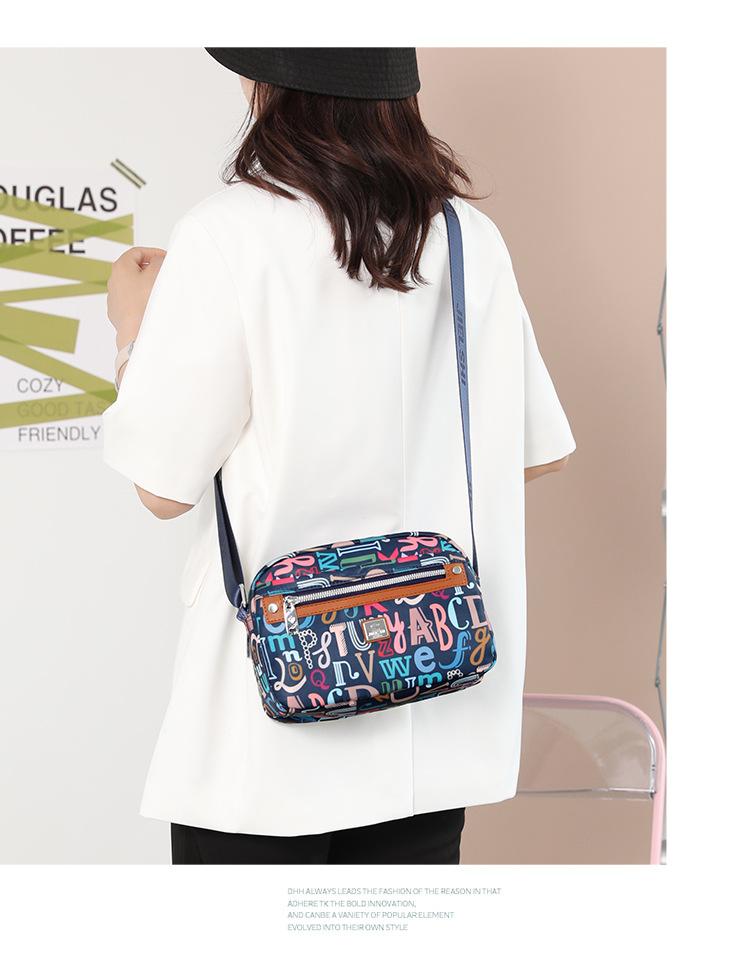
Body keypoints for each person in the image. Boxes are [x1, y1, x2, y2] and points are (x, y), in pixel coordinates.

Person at [102, 48, 575, 865]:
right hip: (429, 700)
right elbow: (534, 454)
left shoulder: (228, 233)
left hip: (272, 721)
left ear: (274, 85)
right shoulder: (465, 237)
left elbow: (161, 488)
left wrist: (132, 326)